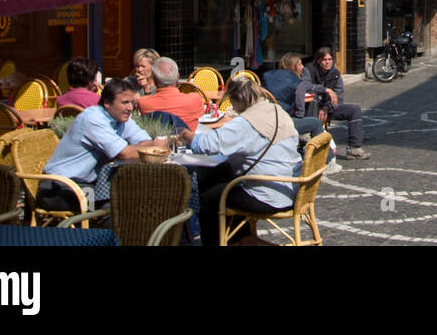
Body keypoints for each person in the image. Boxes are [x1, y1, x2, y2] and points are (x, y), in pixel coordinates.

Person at [178, 76, 301, 246]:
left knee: (208, 198)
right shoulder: (276, 110)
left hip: (266, 195)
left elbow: (206, 144)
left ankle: (223, 241)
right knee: (224, 178)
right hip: (292, 187)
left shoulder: (246, 122)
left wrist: (186, 135)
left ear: (237, 100)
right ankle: (241, 239)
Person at [39, 77, 174, 213]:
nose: (130, 108)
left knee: (135, 196)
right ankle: (103, 233)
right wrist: (155, 145)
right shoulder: (93, 120)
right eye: (125, 102)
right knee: (117, 206)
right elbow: (125, 153)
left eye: (132, 103)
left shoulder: (120, 117)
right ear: (107, 103)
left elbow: (142, 141)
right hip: (60, 188)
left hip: (85, 185)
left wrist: (153, 144)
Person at [302, 47, 369, 159]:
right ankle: (308, 141)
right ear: (318, 60)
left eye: (330, 59)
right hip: (310, 107)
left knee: (354, 110)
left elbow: (338, 97)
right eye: (324, 60)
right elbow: (306, 86)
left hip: (327, 108)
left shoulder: (335, 74)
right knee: (313, 99)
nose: (327, 62)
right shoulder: (309, 69)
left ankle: (355, 148)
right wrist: (325, 90)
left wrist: (327, 108)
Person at [262, 54, 325, 138]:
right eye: (300, 64)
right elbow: (300, 109)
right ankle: (317, 150)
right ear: (294, 66)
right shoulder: (298, 82)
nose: (303, 67)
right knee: (316, 123)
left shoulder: (267, 75)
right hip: (282, 121)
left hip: (266, 118)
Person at [137, 56, 206, 131]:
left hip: (159, 140)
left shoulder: (143, 103)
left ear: (154, 80)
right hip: (186, 141)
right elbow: (202, 117)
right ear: (177, 77)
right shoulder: (194, 99)